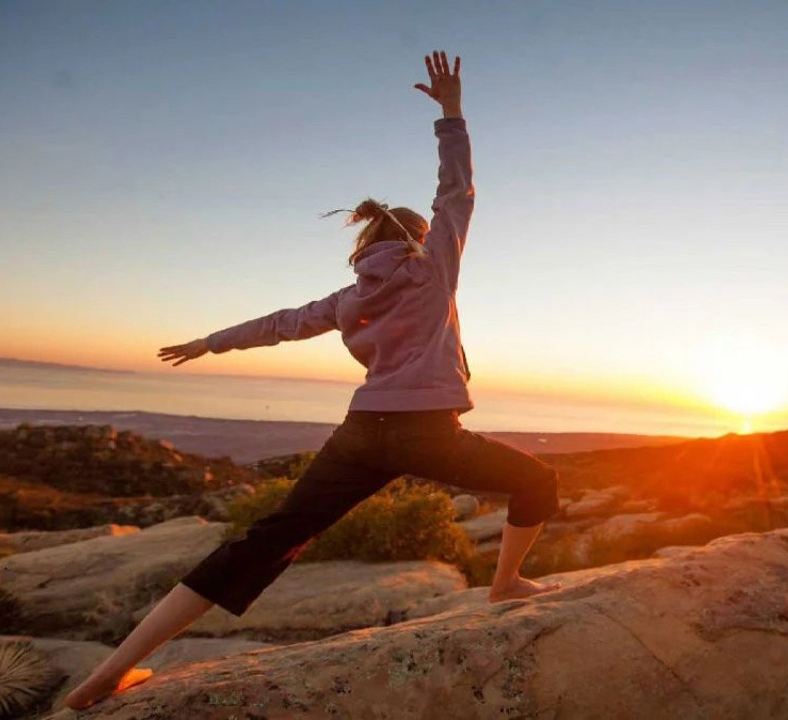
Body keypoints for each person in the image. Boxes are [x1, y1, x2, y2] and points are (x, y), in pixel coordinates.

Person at [64, 51, 561, 710]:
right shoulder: (432, 268)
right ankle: (507, 584)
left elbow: (280, 324)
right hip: (428, 434)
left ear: (367, 245)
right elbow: (457, 192)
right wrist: (451, 113)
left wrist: (208, 342)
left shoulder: (346, 297)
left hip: (359, 435)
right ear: (419, 238)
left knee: (265, 540)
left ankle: (109, 672)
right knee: (538, 480)